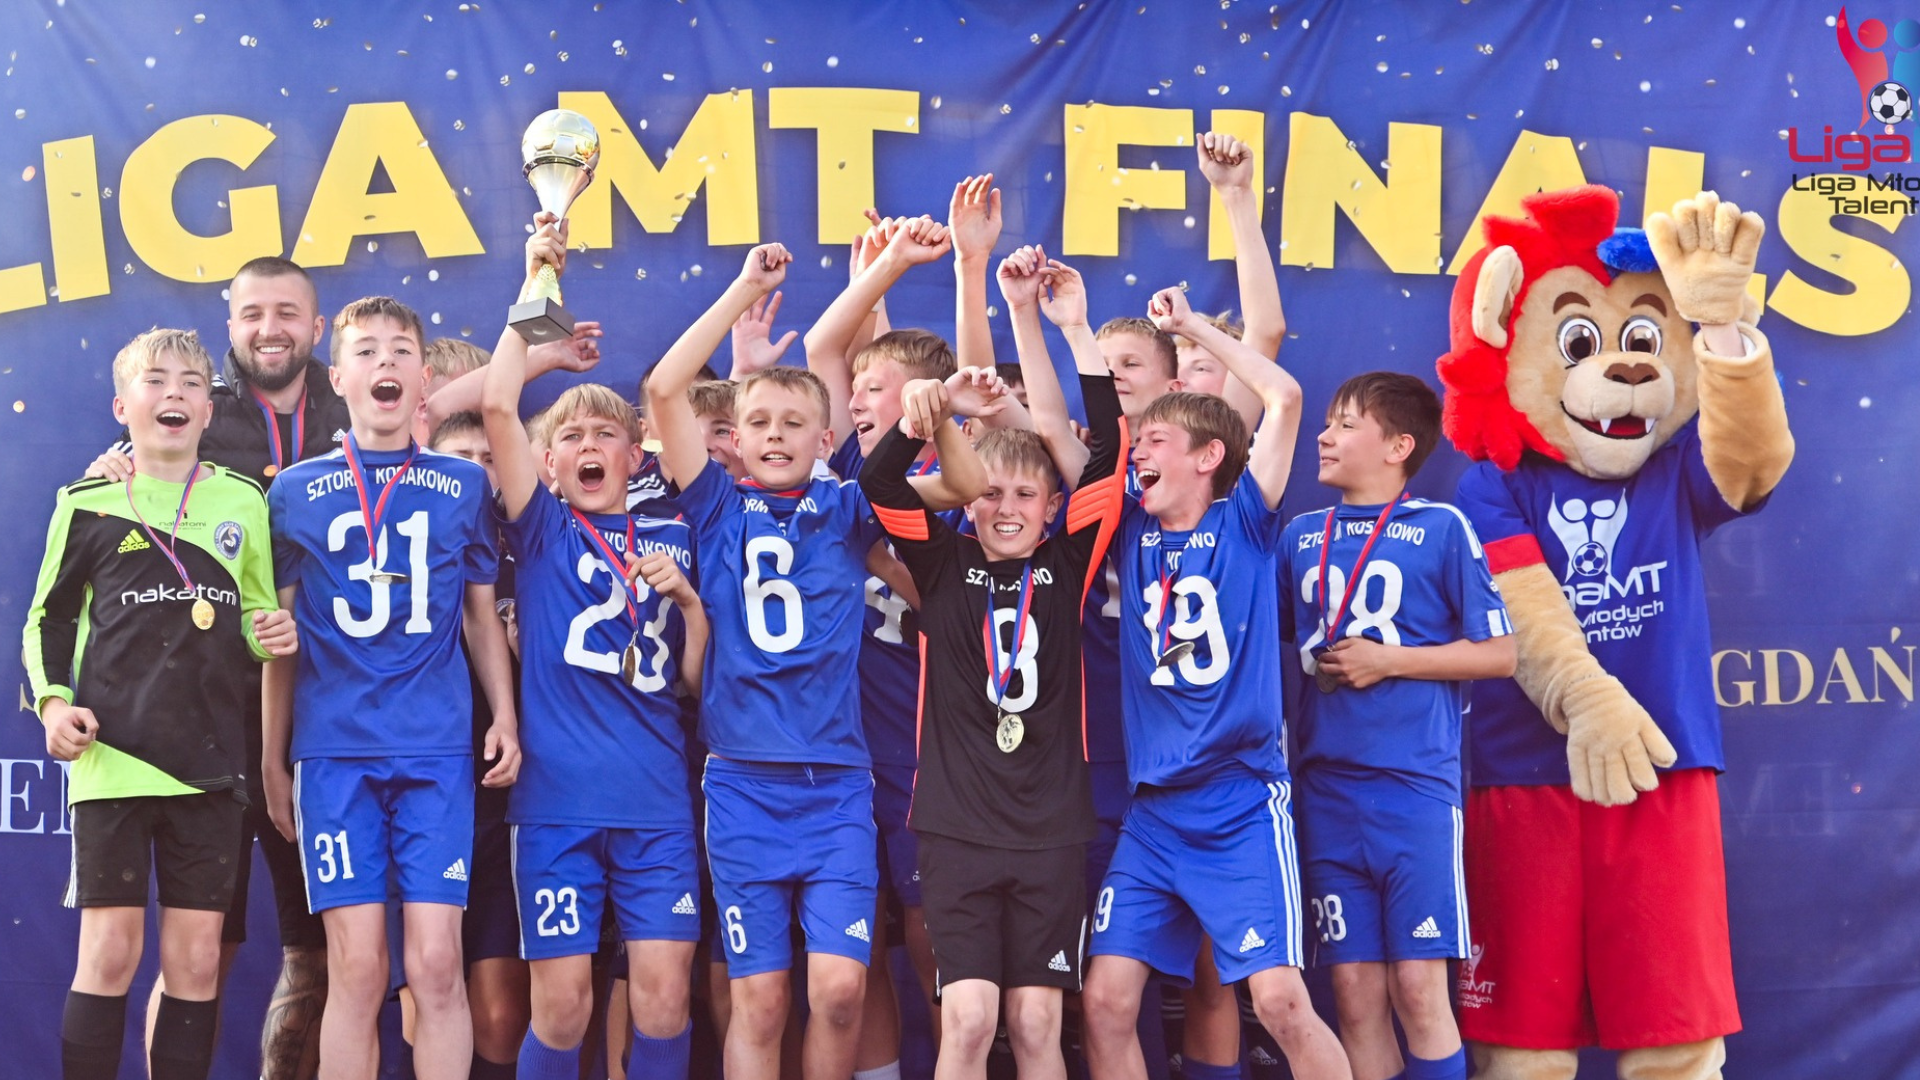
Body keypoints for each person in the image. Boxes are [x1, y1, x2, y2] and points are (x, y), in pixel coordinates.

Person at [646, 239, 983, 1080]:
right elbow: (662, 390)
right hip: (743, 783)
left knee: (838, 991)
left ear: (825, 437)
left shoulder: (848, 504)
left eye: (793, 423)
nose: (774, 435)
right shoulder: (715, 505)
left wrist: (938, 418)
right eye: (759, 423)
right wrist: (743, 288)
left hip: (834, 786)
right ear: (735, 438)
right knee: (760, 1002)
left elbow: (962, 487)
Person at [85, 256, 348, 1080]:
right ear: (230, 324)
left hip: (329, 722)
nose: (270, 329)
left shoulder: (354, 405)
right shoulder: (197, 410)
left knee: (320, 948)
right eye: (252, 313)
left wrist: (537, 352)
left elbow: (442, 409)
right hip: (207, 729)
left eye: (288, 313)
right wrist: (106, 469)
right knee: (202, 947)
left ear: (317, 326)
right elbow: (115, 489)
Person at [862, 261, 1126, 1079]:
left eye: (1025, 496)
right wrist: (930, 410)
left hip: (1052, 830)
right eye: (992, 494)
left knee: (1039, 1022)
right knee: (971, 1019)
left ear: (1051, 507)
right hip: (955, 829)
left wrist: (1076, 330)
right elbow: (878, 481)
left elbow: (1110, 454)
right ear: (967, 500)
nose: (1006, 509)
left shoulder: (1070, 563)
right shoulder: (940, 563)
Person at [1081, 286, 1352, 1080]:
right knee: (1104, 1002)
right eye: (1138, 442)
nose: (1139, 452)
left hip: (1238, 803)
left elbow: (1284, 395)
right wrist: (1063, 324)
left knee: (1281, 1002)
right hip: (1153, 810)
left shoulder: (1245, 521)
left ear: (1206, 458)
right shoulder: (1129, 526)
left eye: (1156, 440)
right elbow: (1075, 443)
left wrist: (1191, 326)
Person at [26, 328, 297, 1080]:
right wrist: (52, 705)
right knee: (110, 951)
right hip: (112, 758)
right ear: (123, 406)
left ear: (208, 410)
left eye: (190, 384)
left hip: (210, 762)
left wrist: (269, 632)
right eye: (155, 381)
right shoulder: (86, 502)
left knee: (197, 960)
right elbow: (47, 619)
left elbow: (254, 613)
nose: (173, 392)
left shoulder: (243, 500)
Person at [263, 296, 520, 1080]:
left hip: (435, 752)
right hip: (335, 755)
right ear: (336, 376)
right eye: (367, 351)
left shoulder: (462, 484)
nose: (385, 362)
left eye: (401, 350)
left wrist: (505, 714)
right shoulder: (293, 491)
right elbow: (279, 642)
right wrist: (273, 758)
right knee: (359, 967)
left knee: (437, 962)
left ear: (425, 378)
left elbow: (480, 615)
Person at [481, 222, 711, 1080]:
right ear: (546, 462)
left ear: (634, 453)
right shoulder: (542, 528)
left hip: (656, 801)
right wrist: (537, 279)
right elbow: (496, 404)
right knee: (564, 1006)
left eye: (604, 435)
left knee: (664, 1001)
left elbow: (696, 679)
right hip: (556, 804)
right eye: (570, 438)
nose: (588, 447)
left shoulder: (676, 535)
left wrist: (689, 603)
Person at [1279, 373, 1516, 1080]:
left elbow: (1500, 654)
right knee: (1354, 994)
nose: (1324, 437)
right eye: (1327, 422)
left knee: (1418, 987)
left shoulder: (1442, 527)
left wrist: (1390, 661)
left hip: (1413, 790)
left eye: (1346, 424)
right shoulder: (1299, 535)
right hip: (1325, 791)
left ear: (1398, 446)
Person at [425, 407, 537, 1080]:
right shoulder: (396, 545)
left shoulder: (539, 547)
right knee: (419, 997)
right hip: (413, 796)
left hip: (504, 804)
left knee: (499, 1014)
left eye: (488, 456)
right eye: (458, 457)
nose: (474, 470)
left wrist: (526, 659)